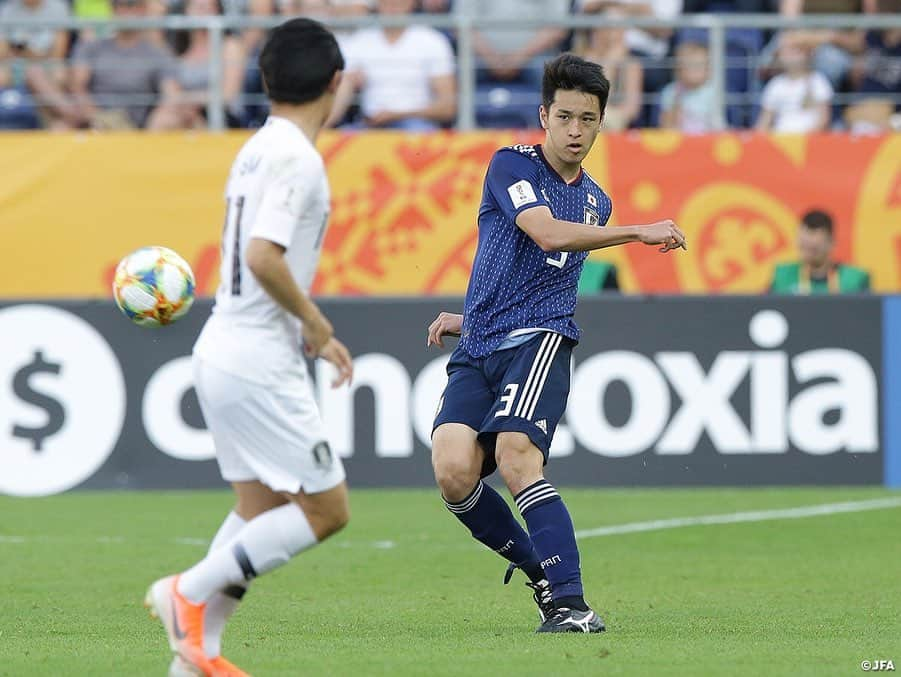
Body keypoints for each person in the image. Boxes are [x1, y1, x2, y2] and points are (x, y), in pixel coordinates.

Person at [426, 53, 686, 633]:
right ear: (544, 116)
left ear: (600, 123)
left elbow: (545, 285)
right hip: (481, 346)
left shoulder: (596, 202)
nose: (574, 131)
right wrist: (640, 232)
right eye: (564, 116)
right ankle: (541, 574)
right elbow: (542, 233)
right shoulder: (511, 165)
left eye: (587, 120)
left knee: (518, 455)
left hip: (540, 341)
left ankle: (572, 603)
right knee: (452, 471)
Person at [144, 18, 354, 676]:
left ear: (264, 81)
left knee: (258, 507)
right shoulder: (297, 157)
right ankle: (187, 590)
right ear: (335, 83)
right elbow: (263, 255)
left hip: (221, 346)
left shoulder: (258, 146)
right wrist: (316, 326)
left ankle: (193, 656)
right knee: (325, 509)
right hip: (258, 357)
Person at [328, 0, 456, 130]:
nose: (392, 5)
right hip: (371, 124)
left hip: (416, 124)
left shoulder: (432, 41)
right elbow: (342, 92)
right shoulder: (360, 40)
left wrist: (397, 115)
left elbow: (447, 107)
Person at [69, 0, 183, 129]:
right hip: (95, 125)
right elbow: (77, 87)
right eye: (118, 4)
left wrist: (154, 124)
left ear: (143, 9)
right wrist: (99, 118)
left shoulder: (157, 52)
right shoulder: (92, 48)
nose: (124, 10)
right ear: (112, 9)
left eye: (131, 4)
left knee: (168, 119)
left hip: (142, 131)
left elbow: (172, 94)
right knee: (62, 126)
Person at [173, 0, 247, 128]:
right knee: (166, 117)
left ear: (218, 12)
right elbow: (172, 93)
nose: (203, 13)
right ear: (185, 11)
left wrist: (190, 100)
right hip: (186, 113)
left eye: (208, 8)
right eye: (198, 7)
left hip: (224, 116)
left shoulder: (230, 46)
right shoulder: (180, 52)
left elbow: (228, 95)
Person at [770, 209, 870, 294]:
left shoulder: (855, 279)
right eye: (803, 246)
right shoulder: (782, 276)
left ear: (831, 243)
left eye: (814, 248)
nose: (808, 252)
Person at [579, 5, 643, 131]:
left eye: (621, 28)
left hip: (614, 125)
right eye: (611, 27)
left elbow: (632, 110)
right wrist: (609, 65)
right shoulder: (583, 59)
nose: (616, 33)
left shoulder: (631, 65)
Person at [756, 31, 834, 133]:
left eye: (796, 51)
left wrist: (808, 138)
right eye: (785, 52)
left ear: (808, 54)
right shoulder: (776, 84)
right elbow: (765, 121)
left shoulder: (818, 81)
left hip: (811, 140)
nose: (790, 56)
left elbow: (824, 118)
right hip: (781, 140)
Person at [659, 40, 722, 132]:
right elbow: (666, 124)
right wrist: (677, 100)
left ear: (708, 70)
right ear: (679, 69)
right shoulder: (671, 91)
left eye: (698, 66)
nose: (694, 71)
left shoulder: (713, 92)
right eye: (689, 65)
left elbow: (718, 124)